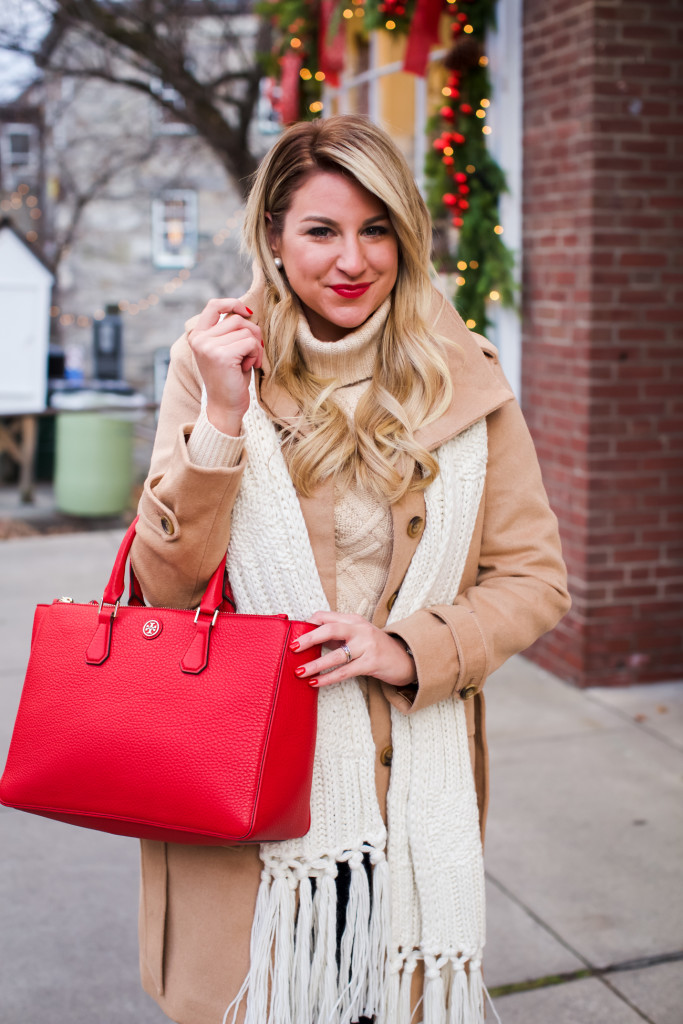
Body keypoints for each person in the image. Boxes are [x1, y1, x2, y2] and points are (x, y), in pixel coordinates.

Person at [131, 115, 570, 1024]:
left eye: (376, 229)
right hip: (247, 785)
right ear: (273, 238)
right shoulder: (214, 365)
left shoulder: (466, 380)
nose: (351, 260)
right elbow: (161, 591)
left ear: (405, 236)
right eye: (321, 230)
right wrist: (220, 418)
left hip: (406, 781)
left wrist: (407, 646)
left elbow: (532, 578)